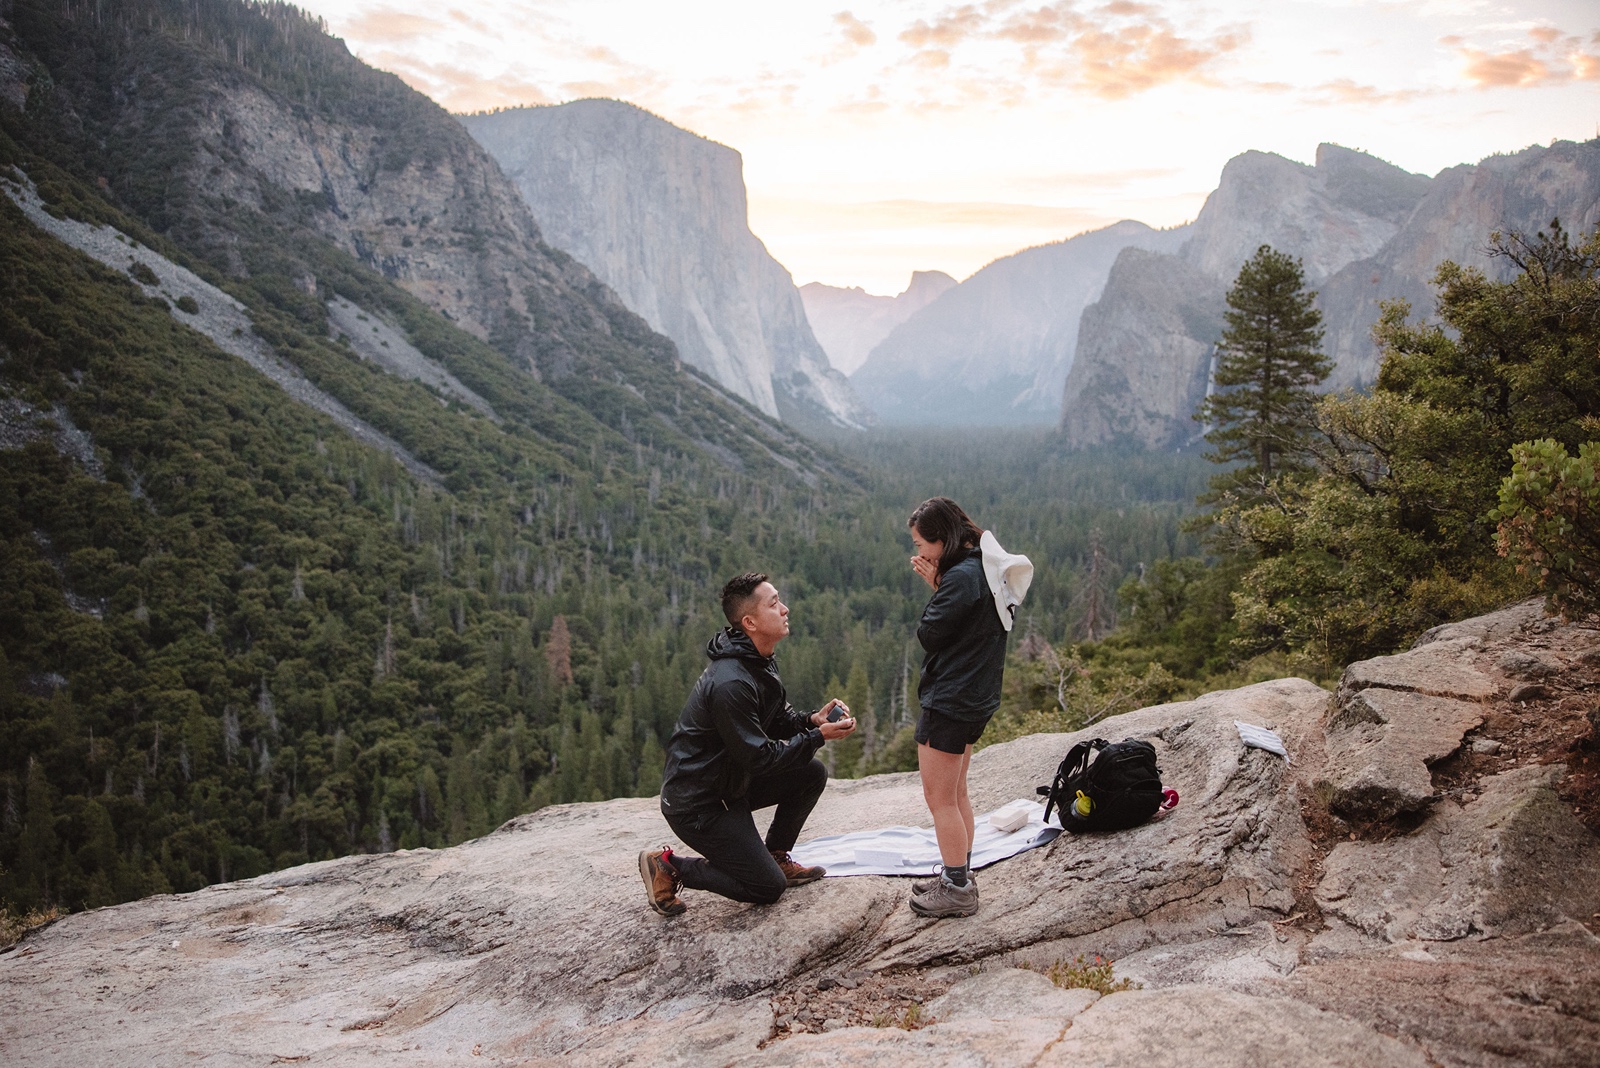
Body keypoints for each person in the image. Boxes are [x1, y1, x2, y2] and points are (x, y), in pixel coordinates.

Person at [639, 572, 857, 916]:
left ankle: (775, 855)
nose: (785, 609)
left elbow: (773, 718)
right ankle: (670, 866)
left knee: (810, 773)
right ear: (750, 621)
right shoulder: (731, 682)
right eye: (774, 604)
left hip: (729, 785)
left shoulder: (756, 659)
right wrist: (816, 737)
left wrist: (809, 720)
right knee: (767, 887)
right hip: (699, 804)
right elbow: (761, 759)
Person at [905, 497, 1028, 918]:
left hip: (950, 698)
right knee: (957, 793)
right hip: (977, 695)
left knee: (939, 799)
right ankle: (959, 873)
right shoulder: (984, 568)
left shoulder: (959, 578)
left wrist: (938, 586)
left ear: (942, 541)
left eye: (922, 543)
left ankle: (956, 888)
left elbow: (930, 634)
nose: (918, 552)